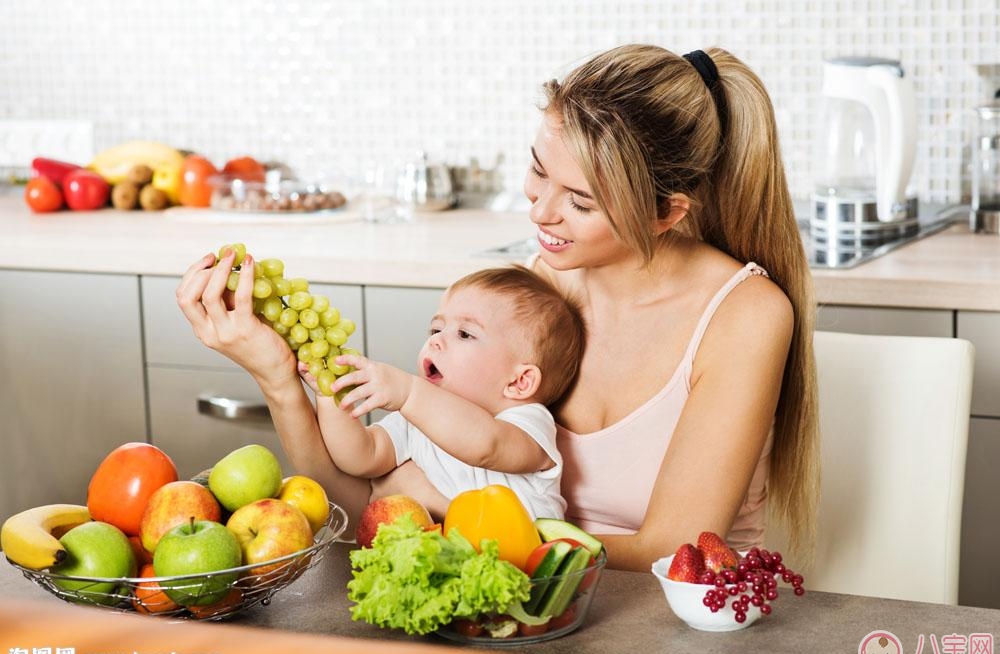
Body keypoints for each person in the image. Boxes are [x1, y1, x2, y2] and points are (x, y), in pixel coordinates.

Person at [176, 43, 818, 573]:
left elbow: (670, 553)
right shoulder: (534, 294)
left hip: (674, 627)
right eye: (539, 172)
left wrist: (454, 530)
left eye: (581, 201)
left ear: (666, 213)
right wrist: (278, 377)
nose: (540, 212)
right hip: (519, 608)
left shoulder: (745, 316)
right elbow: (367, 493)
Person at [297, 266, 585, 521]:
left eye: (464, 334)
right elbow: (361, 456)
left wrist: (409, 392)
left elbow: (487, 445)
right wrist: (329, 393)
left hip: (529, 575)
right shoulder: (415, 418)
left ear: (519, 382)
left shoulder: (528, 422)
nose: (435, 340)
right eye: (435, 328)